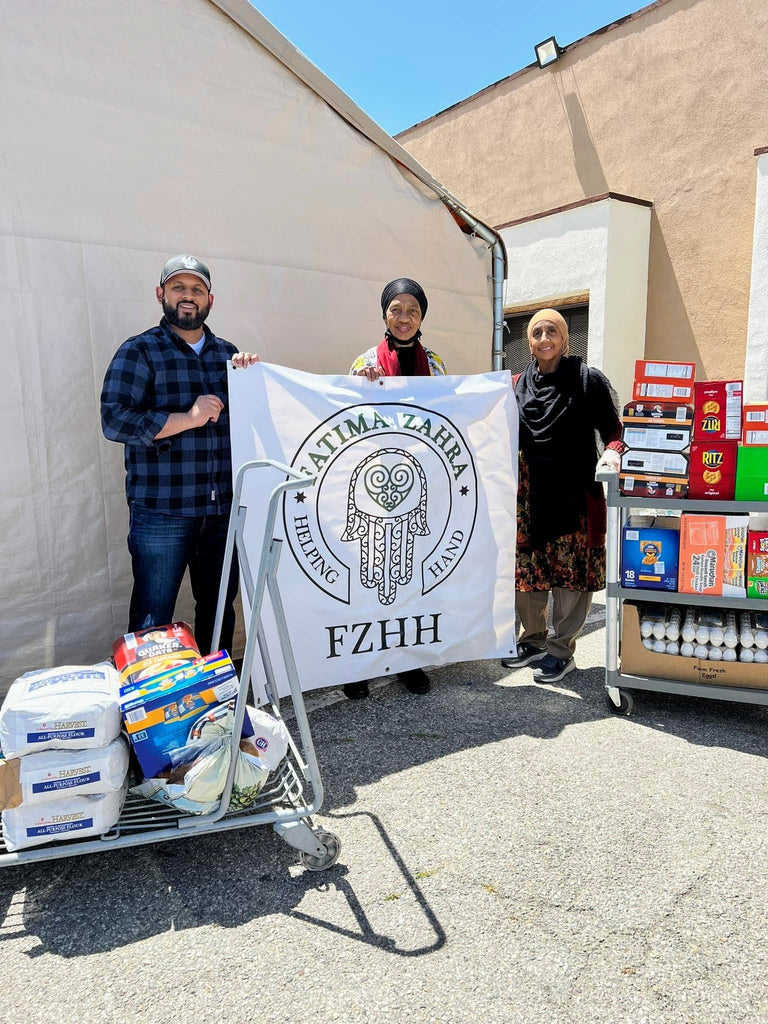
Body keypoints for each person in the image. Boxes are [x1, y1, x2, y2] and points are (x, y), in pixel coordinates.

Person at [101, 255, 259, 657]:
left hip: (221, 512)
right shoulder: (139, 352)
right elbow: (114, 421)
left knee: (219, 609)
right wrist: (187, 418)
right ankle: (150, 713)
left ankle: (215, 699)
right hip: (161, 512)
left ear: (210, 299)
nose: (188, 297)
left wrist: (252, 377)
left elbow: (253, 418)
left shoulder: (229, 355)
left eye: (196, 289)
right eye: (178, 288)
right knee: (153, 620)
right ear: (161, 295)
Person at [501, 308, 625, 683]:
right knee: (529, 572)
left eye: (551, 331)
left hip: (574, 495)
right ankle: (533, 639)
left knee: (571, 575)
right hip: (529, 496)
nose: (543, 338)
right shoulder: (517, 385)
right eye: (536, 332)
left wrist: (613, 453)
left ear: (565, 338)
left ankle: (561, 650)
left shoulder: (587, 380)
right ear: (529, 342)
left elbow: (613, 430)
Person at [344, 277, 446, 700]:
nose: (404, 318)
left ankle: (408, 661)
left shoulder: (435, 362)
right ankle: (358, 665)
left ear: (422, 316)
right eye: (396, 309)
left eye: (413, 310)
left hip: (417, 478)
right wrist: (361, 385)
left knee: (409, 577)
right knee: (369, 577)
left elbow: (446, 413)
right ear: (384, 313)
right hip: (374, 481)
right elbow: (346, 416)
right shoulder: (364, 361)